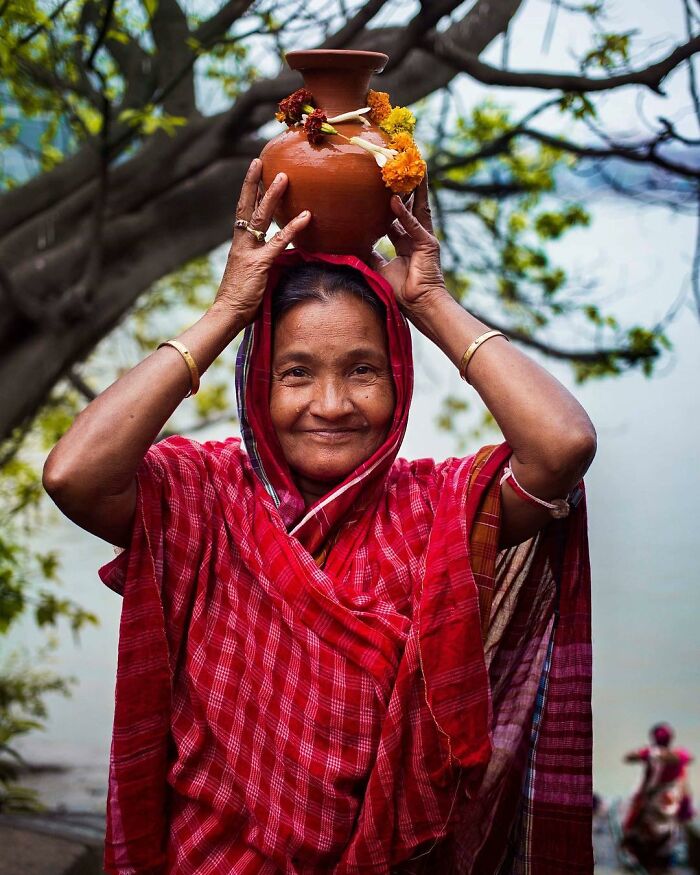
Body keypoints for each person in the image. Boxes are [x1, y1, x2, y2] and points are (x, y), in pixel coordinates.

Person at [43, 159, 597, 874]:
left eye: (362, 370)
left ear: (398, 378)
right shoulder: (201, 493)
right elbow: (73, 474)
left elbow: (563, 445)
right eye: (297, 371)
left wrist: (429, 300)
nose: (331, 404)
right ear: (257, 380)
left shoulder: (435, 509)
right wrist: (227, 311)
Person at [621, 723, 695, 873]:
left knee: (659, 822)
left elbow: (687, 758)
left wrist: (658, 754)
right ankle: (642, 850)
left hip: (664, 796)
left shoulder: (673, 754)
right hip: (656, 795)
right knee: (643, 819)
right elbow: (628, 757)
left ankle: (652, 852)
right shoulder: (653, 753)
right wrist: (647, 754)